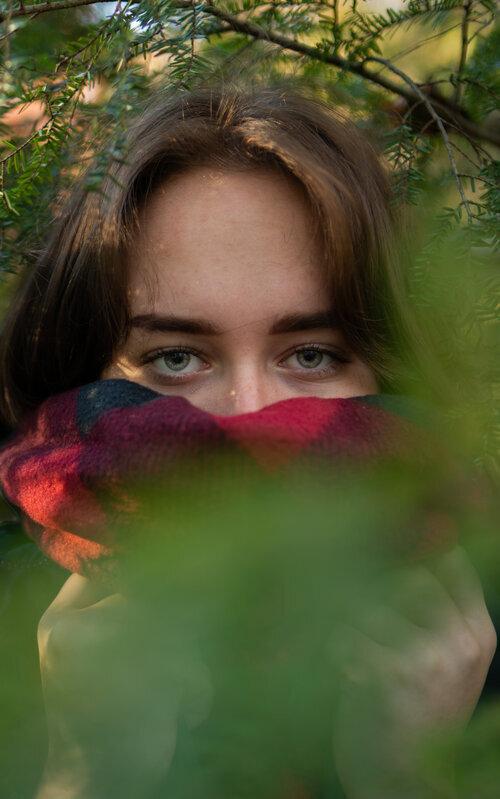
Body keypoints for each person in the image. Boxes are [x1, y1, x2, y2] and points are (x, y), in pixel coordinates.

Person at [0, 86, 496, 799]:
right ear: (84, 366)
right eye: (177, 357)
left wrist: (412, 777)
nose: (252, 413)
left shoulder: (480, 622)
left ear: (391, 365)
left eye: (311, 354)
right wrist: (86, 778)